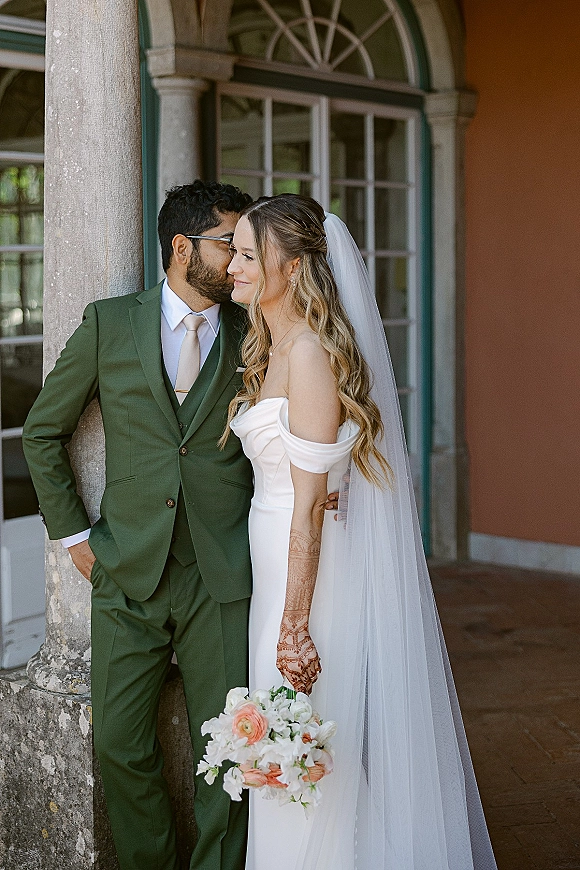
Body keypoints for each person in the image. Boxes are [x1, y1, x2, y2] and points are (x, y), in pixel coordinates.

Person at [225, 193, 498, 870]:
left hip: (309, 579)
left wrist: (293, 624)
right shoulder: (275, 344)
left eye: (245, 254)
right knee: (289, 733)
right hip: (278, 567)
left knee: (304, 733)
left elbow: (312, 504)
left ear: (287, 268)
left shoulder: (311, 355)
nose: (231, 265)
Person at [23, 181, 256, 870]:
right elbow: (43, 432)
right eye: (230, 246)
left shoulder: (255, 329)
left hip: (223, 573)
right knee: (121, 744)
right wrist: (73, 537)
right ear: (183, 248)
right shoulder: (110, 324)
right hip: (126, 570)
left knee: (231, 749)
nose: (241, 264)